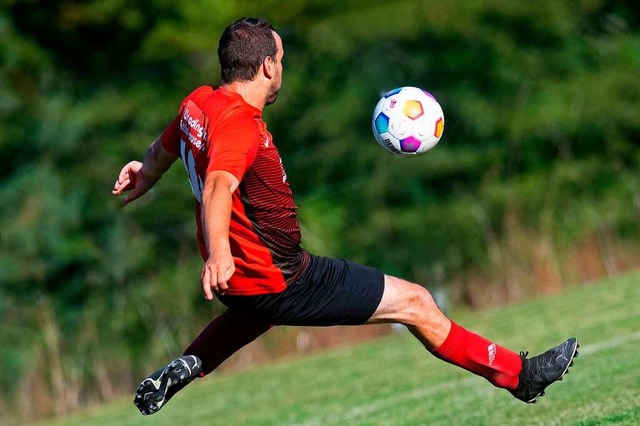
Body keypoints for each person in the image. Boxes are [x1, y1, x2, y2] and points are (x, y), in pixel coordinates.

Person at [112, 17, 579, 416]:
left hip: (250, 280)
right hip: (279, 276)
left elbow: (161, 151)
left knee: (257, 308)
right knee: (415, 303)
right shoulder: (239, 124)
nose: (282, 72)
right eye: (281, 61)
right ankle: (520, 377)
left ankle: (189, 364)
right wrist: (218, 254)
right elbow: (218, 184)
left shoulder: (199, 102)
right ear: (267, 66)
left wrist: (143, 175)